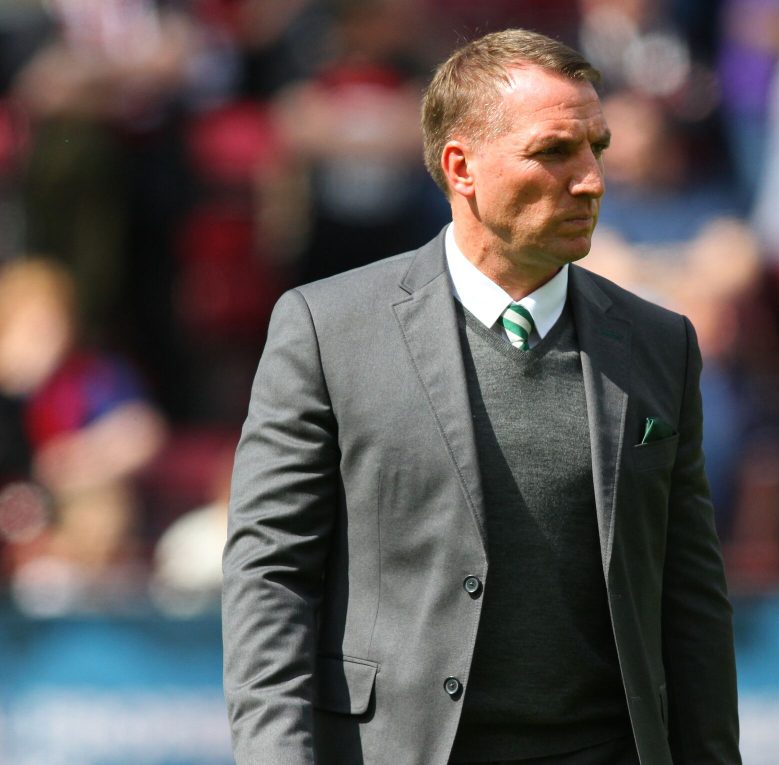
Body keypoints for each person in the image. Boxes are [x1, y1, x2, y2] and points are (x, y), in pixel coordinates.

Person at [222, 28, 740, 765]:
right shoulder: (326, 328)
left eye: (596, 148)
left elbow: (691, 602)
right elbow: (271, 575)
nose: (592, 180)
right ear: (461, 166)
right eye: (555, 151)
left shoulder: (662, 344)